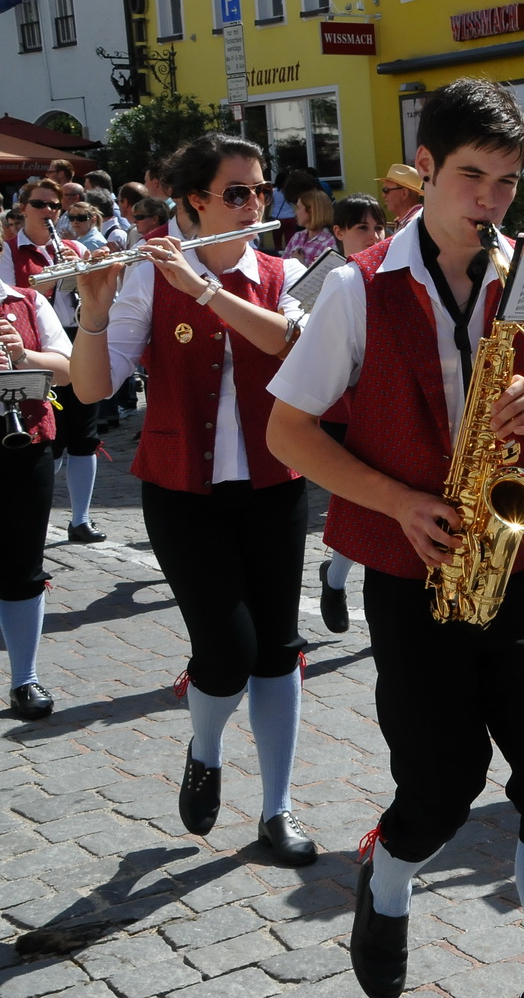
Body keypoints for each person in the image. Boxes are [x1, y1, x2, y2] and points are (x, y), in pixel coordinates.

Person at [266, 78, 524, 998]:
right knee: (439, 787)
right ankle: (390, 873)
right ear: (424, 169)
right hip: (414, 573)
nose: (491, 203)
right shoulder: (354, 286)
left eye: (506, 182)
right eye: (469, 177)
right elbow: (287, 433)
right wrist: (398, 503)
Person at [68, 132, 317, 867]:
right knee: (228, 650)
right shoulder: (148, 275)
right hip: (183, 492)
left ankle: (277, 808)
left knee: (278, 652)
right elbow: (90, 388)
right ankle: (205, 748)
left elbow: (288, 346)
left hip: (275, 486)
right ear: (193, 204)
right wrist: (93, 309)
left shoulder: (287, 270)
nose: (254, 204)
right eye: (236, 193)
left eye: (259, 190)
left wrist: (207, 289)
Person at [1, 179, 103, 545]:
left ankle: (81, 517)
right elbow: (15, 300)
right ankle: (42, 508)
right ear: (24, 208)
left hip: (77, 339)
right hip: (32, 343)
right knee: (49, 432)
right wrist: (51, 280)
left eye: (55, 206)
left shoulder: (73, 247)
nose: (49, 212)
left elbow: (99, 302)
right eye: (41, 204)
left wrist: (82, 274)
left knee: (85, 431)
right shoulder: (10, 251)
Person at [311, 193, 390, 635]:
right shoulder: (330, 278)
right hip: (339, 407)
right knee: (357, 501)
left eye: (379, 228)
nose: (374, 236)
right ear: (338, 232)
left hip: (376, 402)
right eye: (362, 228)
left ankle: (343, 580)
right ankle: (337, 579)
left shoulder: (386, 274)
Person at [0, 273, 73, 719]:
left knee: (23, 564)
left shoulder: (24, 301)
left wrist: (20, 354)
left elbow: (66, 371)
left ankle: (24, 678)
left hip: (23, 446)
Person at [284, 189, 337, 266]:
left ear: (311, 210)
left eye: (298, 208)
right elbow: (282, 266)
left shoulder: (330, 242)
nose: (295, 212)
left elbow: (328, 275)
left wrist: (300, 265)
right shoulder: (297, 237)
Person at [377, 164, 423, 231]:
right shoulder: (411, 220)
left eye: (386, 190)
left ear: (404, 193)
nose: (383, 195)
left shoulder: (414, 223)